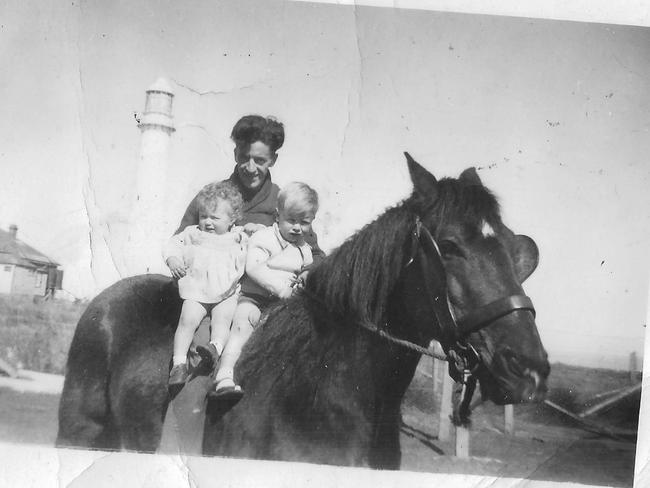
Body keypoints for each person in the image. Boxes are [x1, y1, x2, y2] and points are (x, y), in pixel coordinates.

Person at [209, 182, 319, 401]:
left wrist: (304, 277)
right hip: (255, 297)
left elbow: (305, 268)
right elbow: (255, 268)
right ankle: (225, 373)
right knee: (242, 326)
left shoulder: (304, 249)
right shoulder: (264, 238)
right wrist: (283, 289)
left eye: (304, 223)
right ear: (278, 216)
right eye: (291, 220)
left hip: (284, 303)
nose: (297, 228)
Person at [163, 181, 248, 390]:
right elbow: (173, 243)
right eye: (204, 216)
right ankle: (179, 364)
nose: (208, 222)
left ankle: (215, 348)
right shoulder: (193, 233)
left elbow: (252, 255)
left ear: (232, 219)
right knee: (187, 320)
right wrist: (173, 259)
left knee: (223, 319)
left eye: (215, 217)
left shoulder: (238, 237)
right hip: (197, 290)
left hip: (226, 292)